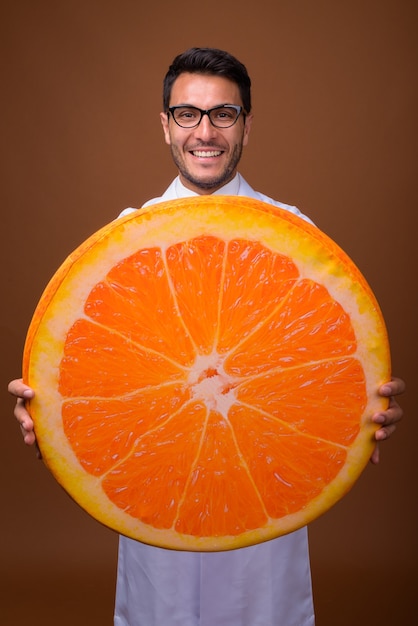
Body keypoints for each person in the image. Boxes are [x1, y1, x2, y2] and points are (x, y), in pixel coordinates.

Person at [9, 48, 405, 626]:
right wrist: (49, 411)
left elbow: (318, 366)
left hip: (262, 499)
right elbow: (106, 378)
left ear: (247, 124)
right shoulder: (122, 245)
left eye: (224, 114)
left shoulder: (298, 240)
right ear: (165, 125)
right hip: (159, 496)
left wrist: (364, 407)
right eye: (188, 114)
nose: (206, 131)